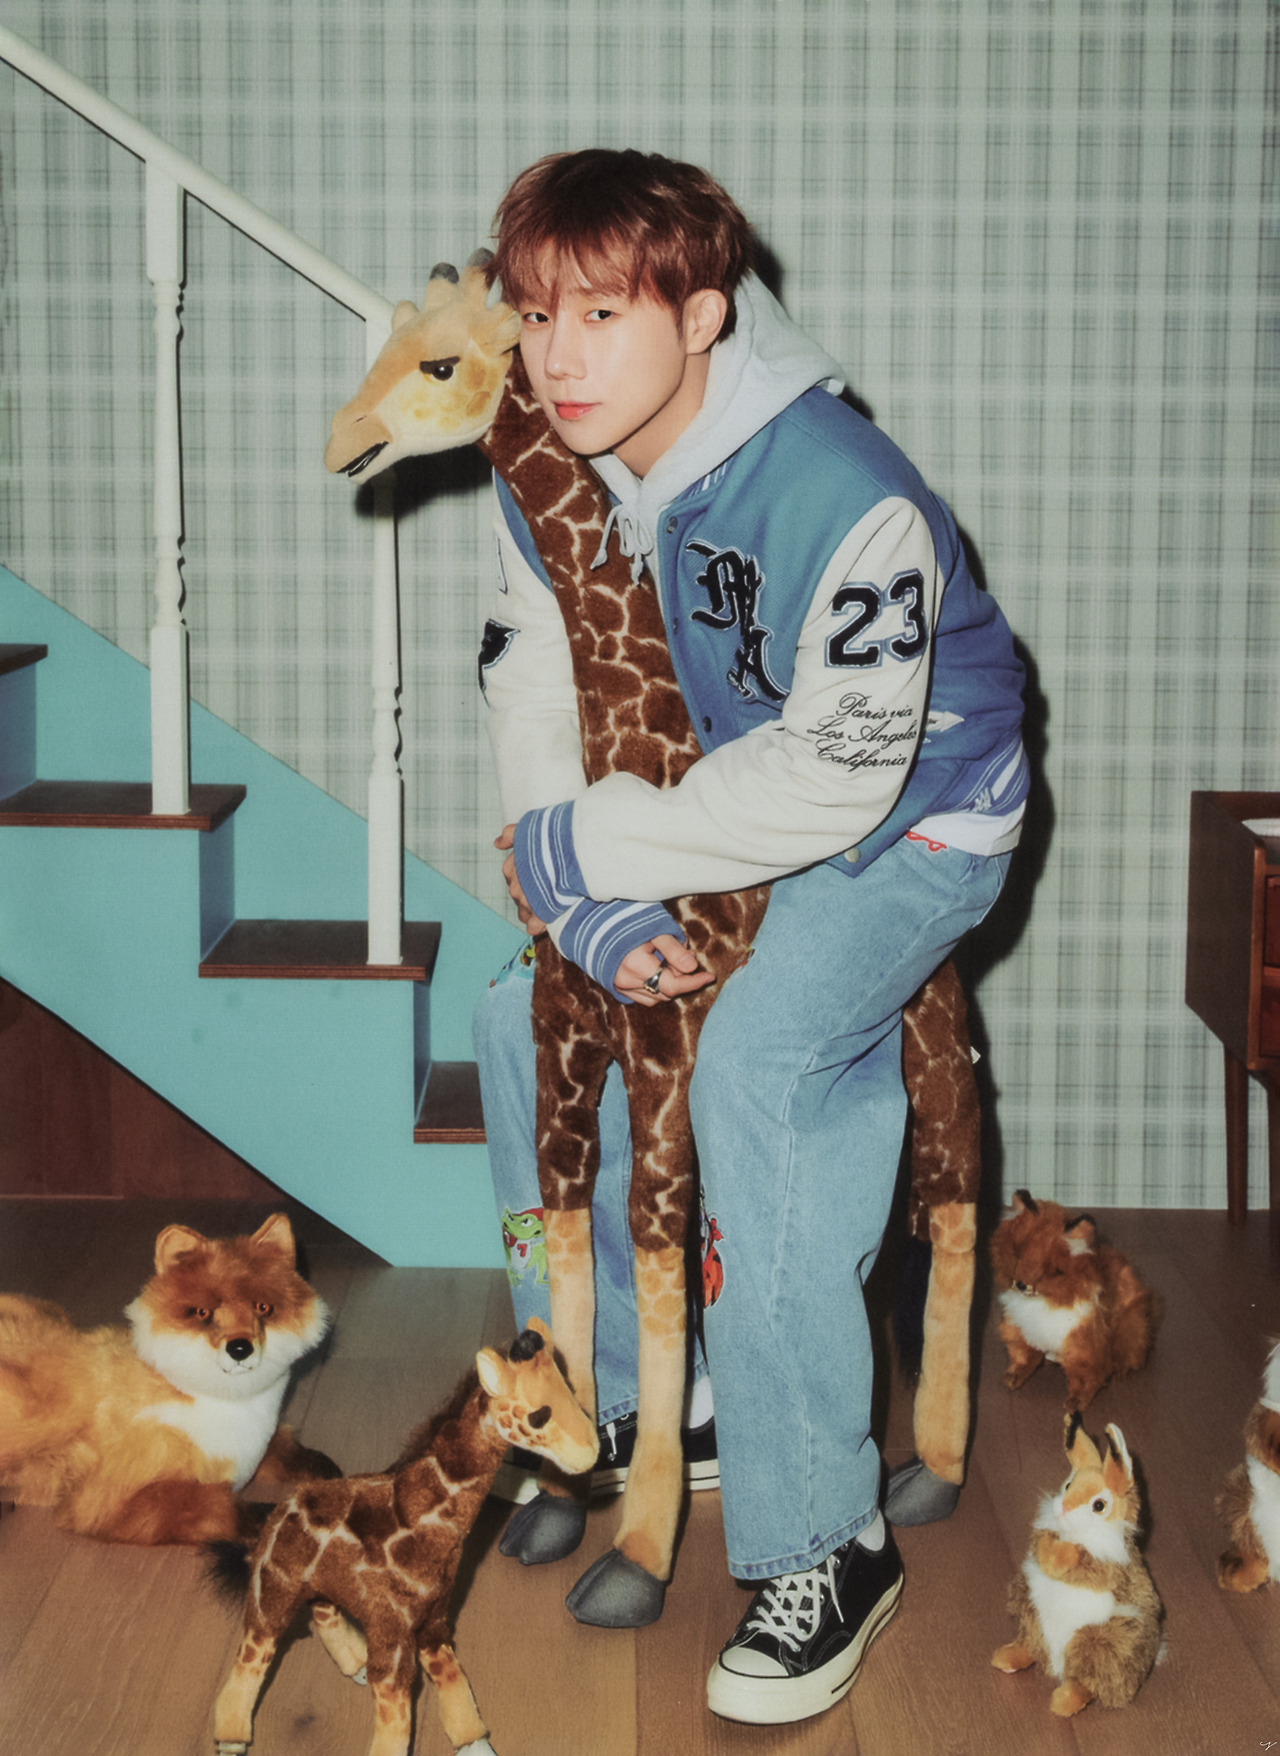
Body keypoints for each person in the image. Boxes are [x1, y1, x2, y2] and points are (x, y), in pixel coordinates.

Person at [471, 147, 1027, 1727]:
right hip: (716, 797)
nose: (558, 354)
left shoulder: (848, 495)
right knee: (512, 1025)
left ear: (704, 313)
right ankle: (650, 1394)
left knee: (764, 1072)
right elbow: (533, 677)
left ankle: (825, 1540)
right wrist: (586, 902)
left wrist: (587, 844)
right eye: (535, 313)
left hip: (915, 821)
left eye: (602, 313)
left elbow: (836, 776)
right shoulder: (554, 450)